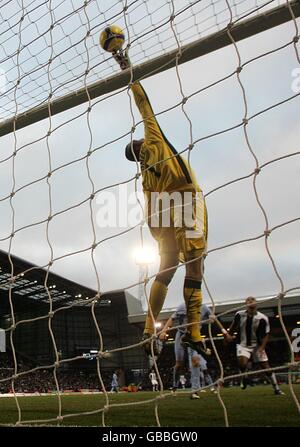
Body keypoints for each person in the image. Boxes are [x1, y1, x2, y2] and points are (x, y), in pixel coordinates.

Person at [113, 49, 208, 358]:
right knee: (195, 265)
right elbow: (142, 100)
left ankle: (148, 329)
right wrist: (124, 64)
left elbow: (150, 206)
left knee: (166, 267)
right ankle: (193, 330)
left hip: (160, 211)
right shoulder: (153, 138)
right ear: (139, 144)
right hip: (184, 195)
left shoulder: (144, 177)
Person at [160, 302, 223, 399]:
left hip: (194, 336)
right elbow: (171, 319)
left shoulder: (204, 307)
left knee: (195, 361)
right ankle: (174, 386)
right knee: (179, 364)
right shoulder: (182, 306)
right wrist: (164, 331)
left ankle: (195, 391)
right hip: (181, 335)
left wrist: (224, 331)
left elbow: (214, 318)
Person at [226, 296, 284, 395]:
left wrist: (262, 348)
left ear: (256, 303)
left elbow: (266, 335)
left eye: (252, 299)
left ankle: (276, 388)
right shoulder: (239, 314)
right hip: (242, 344)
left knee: (266, 368)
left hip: (257, 346)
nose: (250, 301)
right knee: (242, 362)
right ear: (245, 304)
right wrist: (228, 335)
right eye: (248, 300)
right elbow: (233, 327)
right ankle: (244, 378)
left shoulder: (263, 318)